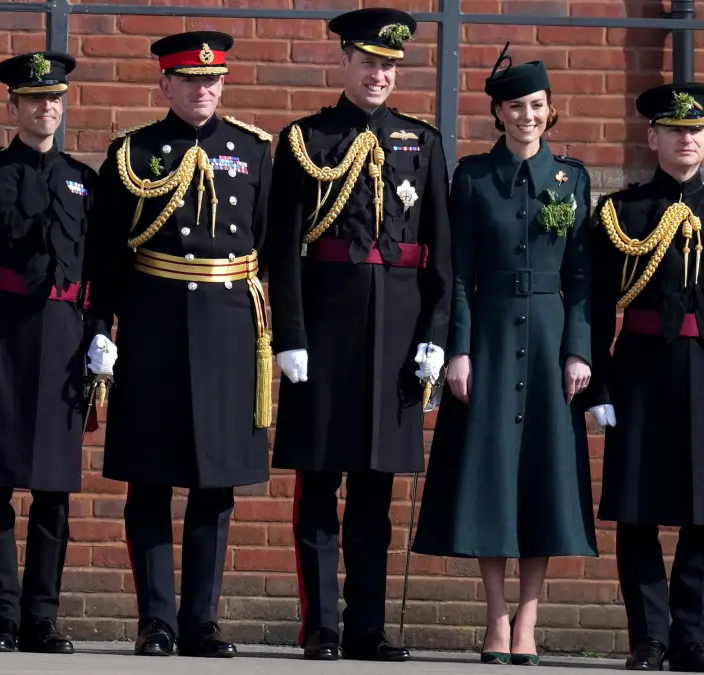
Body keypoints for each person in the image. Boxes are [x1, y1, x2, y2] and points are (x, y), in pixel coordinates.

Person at [266, 7, 452, 662]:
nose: (379, 74)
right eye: (369, 61)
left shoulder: (420, 143)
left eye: (390, 65)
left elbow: (442, 254)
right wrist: (287, 334)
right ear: (344, 60)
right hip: (323, 328)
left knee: (376, 490)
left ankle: (367, 625)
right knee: (318, 484)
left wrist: (435, 332)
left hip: (397, 334)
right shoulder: (303, 139)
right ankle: (321, 625)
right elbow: (281, 248)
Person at [84, 30, 274, 658]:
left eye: (212, 80)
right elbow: (106, 253)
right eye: (190, 80)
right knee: (150, 478)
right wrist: (100, 329)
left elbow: (268, 248)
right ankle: (157, 622)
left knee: (213, 484)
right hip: (155, 325)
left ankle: (201, 622)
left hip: (227, 329)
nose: (203, 90)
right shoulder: (133, 152)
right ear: (164, 84)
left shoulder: (252, 150)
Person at [410, 44, 598, 667]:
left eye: (538, 105)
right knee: (488, 477)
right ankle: (495, 619)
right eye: (516, 106)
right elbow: (458, 273)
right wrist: (457, 350)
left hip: (547, 338)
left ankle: (529, 622)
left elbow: (582, 278)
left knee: (543, 476)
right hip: (488, 334)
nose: (528, 116)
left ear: (550, 110)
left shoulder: (572, 179)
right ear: (498, 112)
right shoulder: (471, 177)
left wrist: (579, 351)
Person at [585, 83, 704, 673]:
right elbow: (595, 305)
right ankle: (649, 639)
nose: (685, 138)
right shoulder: (622, 212)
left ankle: (691, 639)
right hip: (642, 368)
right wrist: (599, 384)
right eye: (673, 129)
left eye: (696, 130)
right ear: (653, 137)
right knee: (638, 509)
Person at [0, 51, 101, 655]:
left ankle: (42, 616)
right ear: (14, 106)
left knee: (54, 487)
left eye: (55, 97)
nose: (46, 107)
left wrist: (101, 333)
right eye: (34, 98)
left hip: (64, 340)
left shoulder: (84, 179)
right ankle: (1, 615)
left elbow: (100, 270)